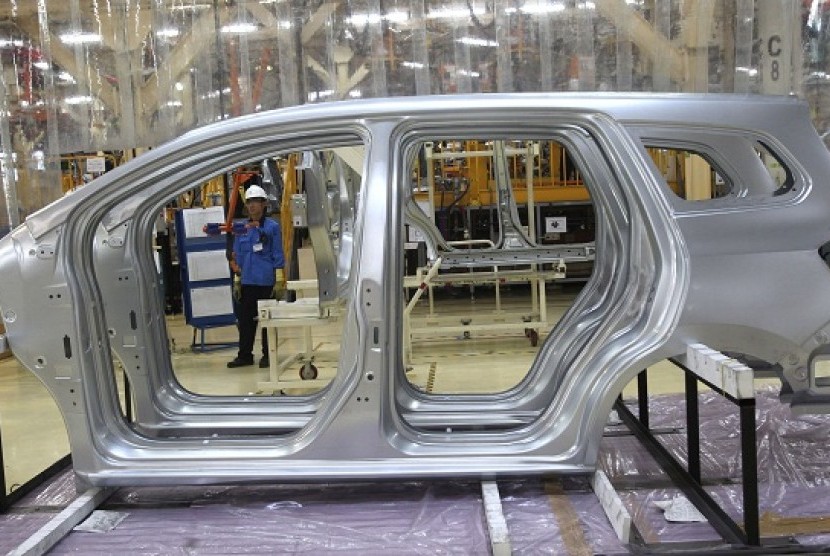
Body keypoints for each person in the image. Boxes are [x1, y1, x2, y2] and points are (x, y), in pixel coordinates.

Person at [227, 184, 286, 368]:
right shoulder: (241, 229)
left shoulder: (272, 227)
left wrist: (279, 278)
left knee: (267, 320)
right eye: (250, 202)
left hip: (266, 281)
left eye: (256, 202)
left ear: (264, 204)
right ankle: (244, 355)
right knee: (246, 322)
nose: (252, 206)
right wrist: (237, 280)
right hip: (248, 281)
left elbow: (277, 252)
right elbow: (238, 256)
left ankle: (268, 355)